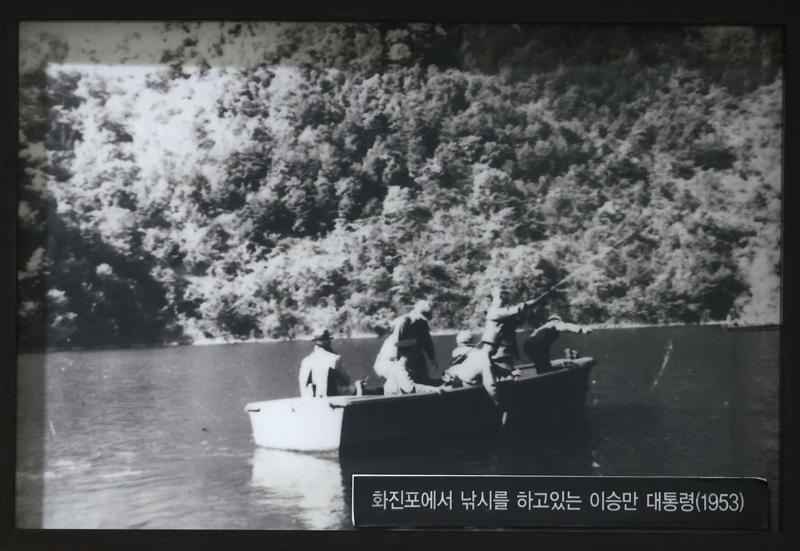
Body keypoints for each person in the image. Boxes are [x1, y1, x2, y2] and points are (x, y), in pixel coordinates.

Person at [373, 300, 442, 395]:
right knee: (402, 383)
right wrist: (401, 365)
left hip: (409, 355)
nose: (424, 320)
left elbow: (427, 341)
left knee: (422, 376)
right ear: (415, 313)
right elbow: (397, 344)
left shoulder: (422, 323)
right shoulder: (403, 322)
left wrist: (432, 358)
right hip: (391, 360)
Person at [298, 329, 361, 398]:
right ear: (328, 342)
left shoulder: (305, 360)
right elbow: (346, 380)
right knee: (353, 388)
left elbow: (303, 385)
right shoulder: (335, 358)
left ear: (315, 342)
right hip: (330, 397)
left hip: (310, 398)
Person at [523, 315, 591, 374]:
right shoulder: (555, 322)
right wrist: (581, 329)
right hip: (537, 345)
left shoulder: (543, 327)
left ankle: (542, 374)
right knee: (544, 366)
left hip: (527, 345)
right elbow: (566, 326)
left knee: (542, 365)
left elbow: (534, 337)